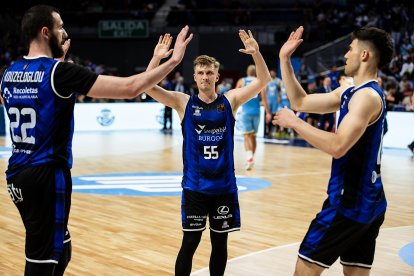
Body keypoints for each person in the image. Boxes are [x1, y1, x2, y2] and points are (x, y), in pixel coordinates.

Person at [0, 5, 192, 275]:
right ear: (46, 32)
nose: (65, 33)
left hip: (17, 175)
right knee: (41, 260)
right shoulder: (60, 73)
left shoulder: (9, 74)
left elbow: (31, 93)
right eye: (60, 27)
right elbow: (129, 88)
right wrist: (172, 62)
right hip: (45, 174)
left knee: (61, 246)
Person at [144, 31, 270, 275]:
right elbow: (148, 86)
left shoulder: (230, 100)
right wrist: (156, 58)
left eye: (209, 72)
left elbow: (263, 80)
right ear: (194, 76)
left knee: (220, 244)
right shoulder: (184, 103)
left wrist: (257, 53)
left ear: (217, 76)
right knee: (189, 243)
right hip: (195, 188)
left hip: (223, 188)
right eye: (200, 73)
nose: (205, 77)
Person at [273, 26, 393, 275]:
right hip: (370, 201)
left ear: (364, 55)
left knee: (304, 271)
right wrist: (285, 59)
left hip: (348, 203)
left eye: (350, 49)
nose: (346, 54)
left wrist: (295, 122)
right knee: (355, 272)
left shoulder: (367, 97)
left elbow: (338, 146)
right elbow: (300, 101)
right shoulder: (350, 91)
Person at [236, 65, 271, 170]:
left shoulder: (242, 81)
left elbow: (236, 94)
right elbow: (264, 98)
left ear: (247, 72)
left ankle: (249, 157)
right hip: (256, 111)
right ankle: (251, 158)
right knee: (254, 136)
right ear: (255, 73)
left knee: (246, 136)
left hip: (245, 111)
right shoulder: (260, 81)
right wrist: (268, 112)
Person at [264, 69, 282, 138]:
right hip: (269, 100)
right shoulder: (267, 80)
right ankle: (267, 130)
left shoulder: (278, 81)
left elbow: (280, 90)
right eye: (271, 73)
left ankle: (274, 130)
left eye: (273, 73)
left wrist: (279, 97)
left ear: (275, 73)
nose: (272, 74)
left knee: (275, 115)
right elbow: (265, 91)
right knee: (268, 115)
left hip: (275, 101)